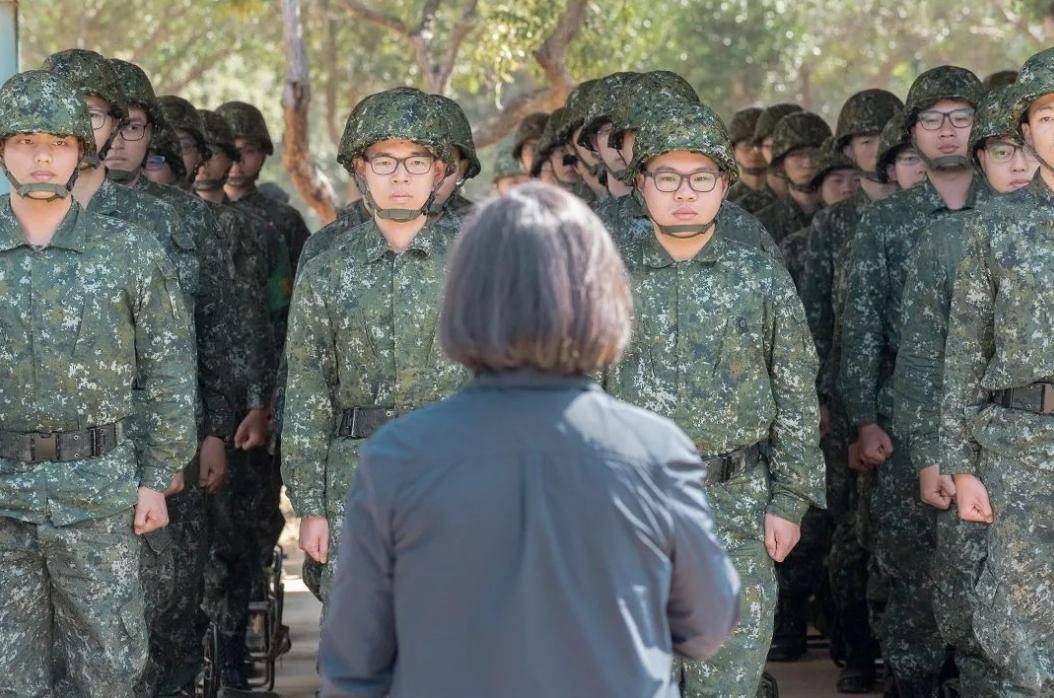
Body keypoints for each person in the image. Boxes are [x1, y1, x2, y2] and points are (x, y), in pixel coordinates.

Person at [318, 181, 740, 698]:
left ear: (463, 298)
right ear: (602, 296)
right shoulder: (656, 452)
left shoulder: (398, 456)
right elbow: (708, 623)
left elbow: (354, 659)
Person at [605, 99, 825, 698]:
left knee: (728, 682)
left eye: (700, 178)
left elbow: (797, 393)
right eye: (666, 178)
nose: (684, 193)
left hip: (737, 508)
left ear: (724, 185)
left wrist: (791, 498)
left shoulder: (758, 276)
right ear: (641, 184)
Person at [0, 69, 197, 697]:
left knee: (109, 668)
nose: (40, 157)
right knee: (11, 673)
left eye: (56, 143)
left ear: (80, 150)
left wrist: (156, 476)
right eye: (23, 142)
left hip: (101, 492)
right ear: (2, 150)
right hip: (2, 494)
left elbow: (168, 368)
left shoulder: (129, 250)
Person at [282, 87, 465, 606]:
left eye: (417, 161)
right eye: (385, 161)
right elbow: (308, 396)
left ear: (439, 171)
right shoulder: (327, 272)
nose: (401, 176)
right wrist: (310, 505)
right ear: (359, 169)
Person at [840, 65, 989, 696]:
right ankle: (914, 678)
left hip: (997, 414)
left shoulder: (1016, 209)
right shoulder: (887, 222)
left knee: (992, 564)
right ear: (913, 134)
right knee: (909, 564)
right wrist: (864, 418)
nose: (948, 132)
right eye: (933, 120)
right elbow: (861, 324)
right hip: (910, 415)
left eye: (961, 118)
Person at [106, 57, 243, 697]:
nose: (117, 140)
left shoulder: (185, 219)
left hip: (172, 446)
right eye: (107, 123)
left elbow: (217, 334)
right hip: (76, 451)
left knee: (169, 611)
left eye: (133, 128)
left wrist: (216, 429)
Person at [895, 82, 1036, 698]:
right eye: (1001, 153)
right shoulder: (957, 237)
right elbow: (931, 358)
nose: (1019, 166)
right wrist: (937, 454)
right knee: (975, 600)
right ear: (982, 161)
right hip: (986, 440)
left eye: (1022, 152)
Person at [939, 46, 1054, 696]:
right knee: (1024, 647)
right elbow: (965, 351)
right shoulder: (998, 226)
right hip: (1022, 449)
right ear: (1027, 132)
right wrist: (962, 464)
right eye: (1047, 117)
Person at [797, 88, 903, 694]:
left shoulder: (931, 216)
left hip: (906, 397)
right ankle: (856, 647)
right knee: (847, 533)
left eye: (884, 139)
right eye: (864, 140)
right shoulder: (834, 223)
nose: (876, 149)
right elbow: (816, 320)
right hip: (845, 396)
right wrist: (820, 399)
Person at [218, 100, 312, 270]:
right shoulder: (193, 211)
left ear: (263, 154)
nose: (237, 160)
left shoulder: (285, 220)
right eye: (228, 150)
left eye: (248, 150)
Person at [755, 110, 833, 244]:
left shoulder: (843, 215)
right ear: (781, 163)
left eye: (815, 153)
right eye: (797, 154)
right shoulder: (761, 225)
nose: (808, 163)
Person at [751, 102, 803, 206]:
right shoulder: (744, 209)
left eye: (794, 148)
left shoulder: (828, 202)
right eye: (774, 146)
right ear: (760, 148)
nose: (783, 154)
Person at [726, 107, 768, 205]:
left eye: (761, 144)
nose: (755, 151)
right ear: (733, 149)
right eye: (746, 144)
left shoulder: (791, 196)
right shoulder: (721, 201)